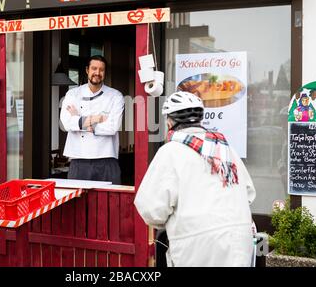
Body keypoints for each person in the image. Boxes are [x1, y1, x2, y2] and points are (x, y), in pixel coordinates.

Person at [134, 91, 256, 267]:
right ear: (200, 119)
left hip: (196, 246)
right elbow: (249, 194)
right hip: (239, 241)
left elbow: (152, 209)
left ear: (169, 122)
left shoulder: (170, 152)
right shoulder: (225, 148)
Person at [60, 55, 124, 184]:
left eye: (101, 69)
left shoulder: (115, 96)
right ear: (87, 70)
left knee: (109, 203)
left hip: (106, 159)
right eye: (94, 68)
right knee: (77, 203)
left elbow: (113, 127)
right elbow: (66, 122)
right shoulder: (73, 94)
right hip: (78, 159)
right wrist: (96, 119)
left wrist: (79, 120)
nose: (97, 73)